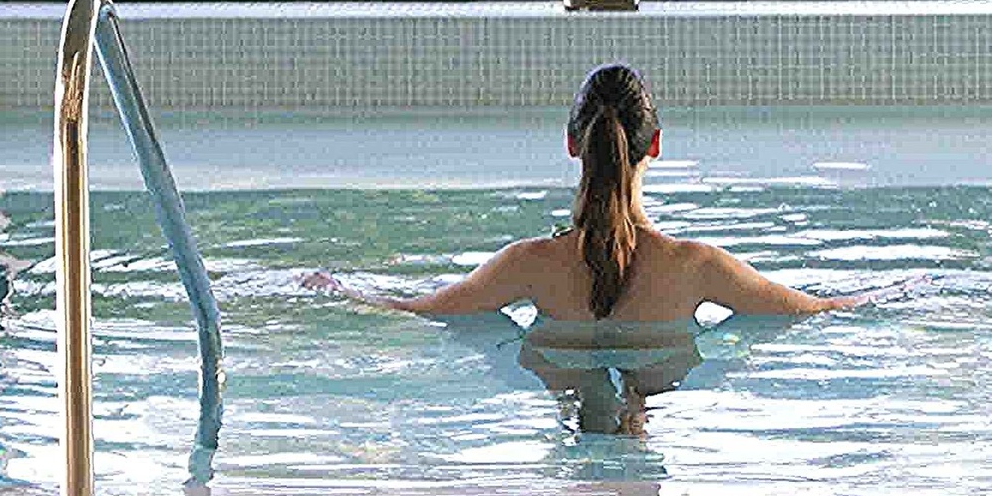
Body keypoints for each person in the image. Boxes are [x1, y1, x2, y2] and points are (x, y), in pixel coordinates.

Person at [320, 63, 866, 324]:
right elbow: (819, 310)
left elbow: (416, 310)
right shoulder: (700, 269)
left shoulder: (527, 266)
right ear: (654, 145)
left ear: (571, 144)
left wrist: (334, 286)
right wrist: (901, 290)